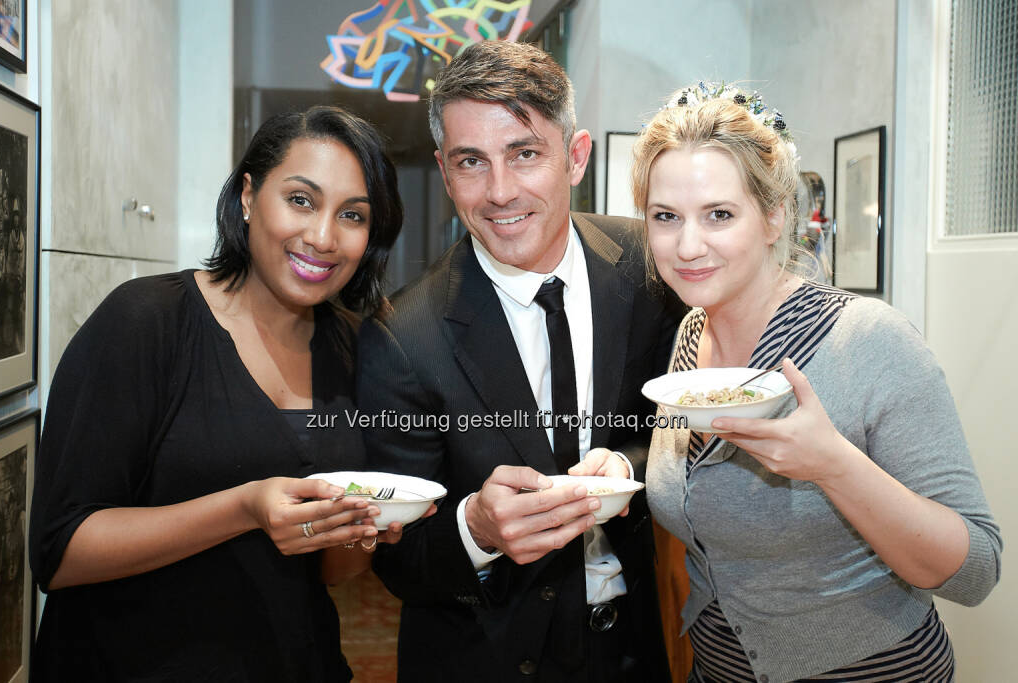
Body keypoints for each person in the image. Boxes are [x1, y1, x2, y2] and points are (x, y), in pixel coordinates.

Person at [28, 105, 413, 682]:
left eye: (353, 215)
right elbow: (59, 554)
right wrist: (243, 508)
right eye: (301, 200)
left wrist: (362, 529)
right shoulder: (146, 322)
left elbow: (330, 573)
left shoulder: (359, 349)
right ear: (248, 197)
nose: (323, 237)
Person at [633, 82, 1002, 682]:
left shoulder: (869, 341)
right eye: (665, 218)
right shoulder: (690, 336)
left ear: (774, 216)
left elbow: (975, 571)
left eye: (719, 215)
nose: (688, 245)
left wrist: (834, 464)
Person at [356, 40, 681, 682]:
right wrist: (475, 528)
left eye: (524, 153)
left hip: (642, 646)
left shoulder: (652, 266)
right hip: (489, 658)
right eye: (471, 162)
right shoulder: (401, 335)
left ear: (575, 157)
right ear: (445, 173)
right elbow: (398, 558)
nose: (499, 192)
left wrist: (625, 468)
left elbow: (683, 428)